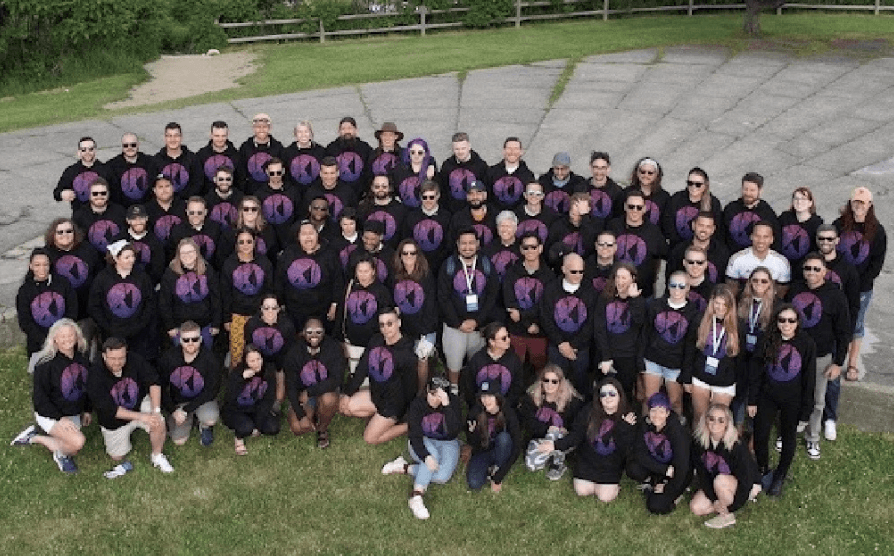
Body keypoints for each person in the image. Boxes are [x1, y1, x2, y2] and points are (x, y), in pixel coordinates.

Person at [786, 253, 850, 460]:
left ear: (825, 272)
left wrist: (838, 362)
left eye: (816, 269)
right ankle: (787, 433)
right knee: (791, 396)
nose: (811, 273)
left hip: (821, 356)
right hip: (794, 352)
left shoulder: (836, 295)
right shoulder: (795, 289)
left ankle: (812, 437)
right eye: (807, 268)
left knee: (817, 399)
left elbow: (843, 331)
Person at [748, 304, 816, 497]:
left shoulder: (806, 343)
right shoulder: (767, 339)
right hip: (767, 397)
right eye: (782, 320)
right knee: (760, 435)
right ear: (776, 322)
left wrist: (806, 410)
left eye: (791, 320)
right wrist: (752, 400)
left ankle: (780, 474)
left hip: (793, 400)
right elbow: (756, 372)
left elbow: (809, 379)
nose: (786, 324)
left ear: (797, 322)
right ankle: (763, 469)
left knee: (788, 438)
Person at [10, 319, 90, 474]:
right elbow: (40, 401)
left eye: (70, 335)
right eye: (62, 336)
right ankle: (36, 439)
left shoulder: (83, 360)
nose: (67, 339)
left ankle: (36, 434)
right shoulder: (45, 365)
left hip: (72, 412)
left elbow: (86, 388)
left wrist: (87, 410)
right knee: (77, 443)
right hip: (51, 414)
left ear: (77, 337)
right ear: (54, 339)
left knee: (72, 445)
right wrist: (60, 418)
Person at [87, 337, 174, 477]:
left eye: (121, 358)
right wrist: (141, 417)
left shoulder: (135, 359)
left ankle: (157, 455)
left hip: (138, 404)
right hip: (114, 419)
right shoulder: (94, 374)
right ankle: (130, 430)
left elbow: (154, 381)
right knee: (117, 457)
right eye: (113, 358)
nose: (117, 362)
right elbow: (109, 409)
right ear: (104, 355)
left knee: (159, 422)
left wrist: (156, 411)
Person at [381, 376, 462, 520]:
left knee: (442, 476)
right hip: (423, 439)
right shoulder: (417, 404)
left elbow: (454, 431)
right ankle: (416, 497)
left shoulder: (453, 403)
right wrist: (426, 456)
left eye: (438, 396)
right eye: (431, 394)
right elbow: (415, 435)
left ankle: (404, 467)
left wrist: (447, 405)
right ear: (426, 390)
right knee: (432, 457)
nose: (434, 399)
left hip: (448, 442)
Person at [542, 377, 636, 502]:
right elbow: (576, 435)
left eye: (612, 394)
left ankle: (611, 487)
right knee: (581, 491)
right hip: (587, 462)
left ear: (620, 396)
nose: (608, 397)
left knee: (605, 497)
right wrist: (555, 445)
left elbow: (626, 449)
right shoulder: (589, 411)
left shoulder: (628, 416)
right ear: (599, 398)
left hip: (610, 466)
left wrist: (623, 427)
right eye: (603, 394)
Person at [340, 306, 417, 445]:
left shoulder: (406, 353)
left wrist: (407, 413)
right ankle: (378, 418)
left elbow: (411, 386)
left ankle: (410, 425)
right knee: (346, 407)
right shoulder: (376, 340)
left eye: (390, 323)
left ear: (398, 323)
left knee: (369, 438)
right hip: (376, 394)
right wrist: (348, 392)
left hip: (393, 404)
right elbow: (362, 368)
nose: (386, 329)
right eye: (382, 325)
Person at [834, 186, 887, 382]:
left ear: (869, 205)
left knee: (856, 325)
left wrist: (858, 285)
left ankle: (852, 363)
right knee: (836, 320)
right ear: (851, 202)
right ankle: (835, 357)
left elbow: (876, 264)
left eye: (862, 203)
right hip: (839, 284)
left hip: (861, 289)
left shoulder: (877, 231)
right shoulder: (839, 225)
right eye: (856, 202)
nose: (858, 206)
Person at [438, 226, 499, 392]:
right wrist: (458, 323)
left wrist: (478, 321)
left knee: (477, 361)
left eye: (471, 243)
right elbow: (443, 297)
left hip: (479, 327)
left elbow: (492, 294)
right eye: (463, 243)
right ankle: (454, 390)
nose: (467, 247)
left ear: (478, 244)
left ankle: (473, 390)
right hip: (454, 326)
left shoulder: (486, 264)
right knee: (454, 362)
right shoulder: (449, 265)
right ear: (457, 245)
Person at [815, 224, 860, 441]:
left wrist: (847, 334)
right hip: (814, 332)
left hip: (836, 333)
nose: (825, 242)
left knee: (832, 377)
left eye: (829, 238)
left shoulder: (848, 269)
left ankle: (830, 418)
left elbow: (853, 304)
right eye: (821, 238)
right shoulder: (810, 262)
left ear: (837, 241)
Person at [690, 404, 761, 528]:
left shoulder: (736, 444)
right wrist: (714, 499)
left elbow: (746, 479)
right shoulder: (699, 442)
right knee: (696, 507)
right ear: (706, 419)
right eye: (711, 418)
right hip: (716, 482)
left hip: (739, 483)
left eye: (721, 420)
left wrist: (735, 506)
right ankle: (721, 506)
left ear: (727, 423)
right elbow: (702, 474)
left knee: (720, 480)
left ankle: (727, 515)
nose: (715, 423)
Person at [639, 271, 699, 417]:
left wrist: (686, 373)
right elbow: (645, 334)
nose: (677, 290)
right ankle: (646, 429)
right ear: (668, 286)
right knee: (649, 398)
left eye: (681, 286)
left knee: (675, 401)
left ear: (688, 288)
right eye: (673, 285)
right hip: (653, 359)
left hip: (675, 365)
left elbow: (690, 345)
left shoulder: (694, 312)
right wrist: (640, 360)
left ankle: (676, 429)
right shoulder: (655, 305)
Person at [88, 241, 157, 362]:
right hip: (112, 332)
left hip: (139, 333)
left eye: (132, 256)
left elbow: (150, 302)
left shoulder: (142, 276)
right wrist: (108, 327)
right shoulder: (102, 278)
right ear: (116, 258)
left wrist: (140, 325)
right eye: (127, 257)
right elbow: (95, 306)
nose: (131, 260)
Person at [683, 284, 740, 427]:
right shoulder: (700, 320)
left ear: (730, 306)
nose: (720, 308)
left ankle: (714, 449)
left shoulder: (739, 326)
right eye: (717, 303)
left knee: (717, 422)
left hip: (724, 382)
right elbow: (690, 350)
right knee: (700, 418)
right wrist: (686, 377)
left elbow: (741, 360)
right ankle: (698, 447)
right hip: (700, 378)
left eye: (724, 304)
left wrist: (738, 383)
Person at [283, 318, 345, 448]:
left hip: (325, 391)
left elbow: (337, 379)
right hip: (304, 395)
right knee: (297, 428)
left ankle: (322, 429)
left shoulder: (333, 347)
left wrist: (310, 392)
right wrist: (301, 415)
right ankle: (315, 413)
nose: (314, 336)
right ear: (303, 333)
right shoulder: (294, 351)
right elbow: (290, 384)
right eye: (310, 332)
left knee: (328, 400)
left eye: (318, 332)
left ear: (324, 332)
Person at [541, 253, 597, 398]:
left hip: (581, 348)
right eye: (574, 271)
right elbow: (546, 318)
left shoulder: (590, 291)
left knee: (581, 385)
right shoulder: (551, 289)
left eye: (581, 271)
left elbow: (592, 322)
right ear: (563, 269)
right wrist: (561, 343)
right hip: (556, 346)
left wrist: (574, 344)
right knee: (555, 384)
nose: (578, 275)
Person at [157, 321, 221, 447]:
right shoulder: (169, 358)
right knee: (178, 441)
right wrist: (173, 410)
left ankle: (204, 425)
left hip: (202, 400)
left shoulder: (210, 359)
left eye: (195, 339)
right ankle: (189, 420)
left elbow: (212, 390)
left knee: (211, 418)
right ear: (180, 340)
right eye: (186, 340)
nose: (191, 343)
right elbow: (160, 387)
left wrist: (187, 410)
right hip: (179, 402)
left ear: (201, 339)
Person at [626, 392, 691, 515]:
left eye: (661, 411)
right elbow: (639, 453)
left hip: (678, 471)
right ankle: (653, 482)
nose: (657, 415)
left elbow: (682, 467)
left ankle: (675, 494)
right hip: (664, 468)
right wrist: (664, 470)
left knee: (656, 505)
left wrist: (668, 487)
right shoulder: (645, 424)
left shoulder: (677, 431)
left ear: (667, 413)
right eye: (653, 410)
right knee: (633, 468)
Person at [274, 220, 343, 331]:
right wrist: (280, 302)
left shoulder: (329, 253)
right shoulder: (289, 253)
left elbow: (337, 280)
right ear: (298, 237)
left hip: (322, 310)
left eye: (311, 233)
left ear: (317, 234)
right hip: (294, 310)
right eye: (304, 234)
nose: (308, 237)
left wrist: (335, 304)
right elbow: (279, 279)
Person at [520, 364, 584, 480]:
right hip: (539, 438)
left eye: (554, 381)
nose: (550, 385)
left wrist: (559, 432)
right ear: (541, 381)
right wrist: (548, 429)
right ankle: (552, 456)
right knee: (531, 465)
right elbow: (530, 424)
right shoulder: (531, 399)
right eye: (546, 380)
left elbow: (577, 429)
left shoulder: (572, 402)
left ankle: (557, 464)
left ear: (561, 383)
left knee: (555, 433)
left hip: (562, 440)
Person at [503, 231, 554, 376]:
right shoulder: (512, 272)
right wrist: (527, 324)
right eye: (526, 247)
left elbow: (546, 305)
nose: (530, 251)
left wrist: (528, 319)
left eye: (533, 247)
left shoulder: (549, 276)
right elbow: (510, 303)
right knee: (514, 370)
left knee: (541, 372)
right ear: (521, 250)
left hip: (539, 331)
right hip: (516, 331)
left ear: (540, 248)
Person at [17, 247, 77, 366]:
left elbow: (72, 310)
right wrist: (47, 341)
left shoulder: (63, 283)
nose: (42, 268)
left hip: (64, 342)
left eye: (45, 264)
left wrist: (61, 338)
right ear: (31, 266)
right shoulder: (25, 290)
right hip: (38, 345)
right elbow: (25, 322)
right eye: (37, 265)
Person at [594, 262, 645, 402]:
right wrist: (605, 357)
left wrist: (634, 299)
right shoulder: (604, 298)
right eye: (618, 277)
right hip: (607, 353)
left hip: (628, 356)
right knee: (604, 391)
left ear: (632, 279)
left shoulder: (639, 300)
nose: (620, 281)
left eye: (624, 278)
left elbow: (639, 322)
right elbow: (599, 329)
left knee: (625, 393)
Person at [391, 238, 438, 391]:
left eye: (413, 253)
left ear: (418, 255)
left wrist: (423, 333)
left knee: (422, 359)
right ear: (400, 255)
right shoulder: (395, 275)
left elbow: (431, 306)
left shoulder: (426, 276)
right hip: (403, 327)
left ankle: (420, 393)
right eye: (405, 253)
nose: (409, 256)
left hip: (424, 327)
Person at [735, 266, 778, 427]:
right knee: (740, 392)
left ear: (770, 284)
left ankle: (753, 431)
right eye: (755, 280)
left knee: (757, 395)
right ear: (749, 282)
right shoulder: (741, 300)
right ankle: (738, 427)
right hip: (742, 354)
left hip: (762, 357)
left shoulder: (776, 306)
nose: (759, 284)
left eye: (764, 281)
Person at [159, 238, 223, 347]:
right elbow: (165, 301)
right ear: (178, 254)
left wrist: (216, 324)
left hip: (205, 325)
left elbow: (216, 297)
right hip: (180, 327)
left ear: (197, 253)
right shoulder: (170, 273)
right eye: (183, 252)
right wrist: (170, 326)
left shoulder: (208, 270)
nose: (187, 255)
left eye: (190, 252)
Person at [336, 255, 394, 372]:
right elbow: (341, 314)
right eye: (360, 271)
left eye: (366, 271)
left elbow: (388, 318)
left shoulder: (382, 291)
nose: (363, 275)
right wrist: (339, 338)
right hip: (352, 343)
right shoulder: (349, 288)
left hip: (375, 344)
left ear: (373, 271)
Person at [606, 189, 667, 298]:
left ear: (644, 209)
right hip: (615, 292)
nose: (635, 210)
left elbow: (666, 255)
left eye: (639, 207)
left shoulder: (654, 232)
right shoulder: (613, 226)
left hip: (644, 293)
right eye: (631, 206)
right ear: (625, 207)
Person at [222, 344, 280, 455]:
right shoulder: (237, 373)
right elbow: (229, 398)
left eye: (258, 359)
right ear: (245, 361)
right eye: (252, 361)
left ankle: (252, 424)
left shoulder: (268, 373)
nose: (256, 363)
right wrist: (241, 379)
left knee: (273, 428)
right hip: (236, 410)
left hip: (255, 408)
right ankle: (238, 438)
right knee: (246, 428)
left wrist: (258, 424)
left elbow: (268, 399)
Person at [242, 293, 296, 411]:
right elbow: (249, 348)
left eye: (274, 308)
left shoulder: (287, 326)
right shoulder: (252, 324)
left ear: (279, 309)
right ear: (261, 309)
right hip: (258, 361)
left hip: (279, 363)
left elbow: (288, 352)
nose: (270, 311)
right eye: (266, 308)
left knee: (279, 398)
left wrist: (280, 371)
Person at [465, 381, 522, 492]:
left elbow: (516, 447)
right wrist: (472, 432)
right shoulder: (475, 412)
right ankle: (487, 470)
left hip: (502, 450)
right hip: (483, 452)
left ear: (498, 397)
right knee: (474, 483)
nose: (486, 400)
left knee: (504, 438)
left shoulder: (508, 413)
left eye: (491, 396)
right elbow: (474, 445)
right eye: (484, 396)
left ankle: (497, 468)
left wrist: (499, 476)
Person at [463, 322, 524, 409]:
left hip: (506, 410)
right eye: (504, 338)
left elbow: (517, 387)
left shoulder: (514, 360)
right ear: (492, 342)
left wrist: (505, 407)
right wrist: (477, 407)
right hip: (480, 409)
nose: (508, 340)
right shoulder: (477, 359)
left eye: (508, 336)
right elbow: (469, 388)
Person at [725, 220, 790, 298]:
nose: (761, 241)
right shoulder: (737, 259)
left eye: (765, 237)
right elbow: (731, 291)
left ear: (772, 239)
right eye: (757, 236)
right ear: (751, 236)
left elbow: (781, 292)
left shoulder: (782, 262)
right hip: (743, 303)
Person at [662, 167, 722, 248]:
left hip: (703, 248)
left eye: (698, 184)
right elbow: (668, 224)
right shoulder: (676, 198)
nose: (693, 187)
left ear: (705, 185)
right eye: (690, 183)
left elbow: (716, 230)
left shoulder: (713, 203)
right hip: (677, 246)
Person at [53, 136, 114, 214]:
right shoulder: (71, 171)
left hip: (103, 214)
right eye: (83, 150)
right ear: (79, 152)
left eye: (90, 149)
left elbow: (115, 194)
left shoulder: (106, 170)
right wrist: (62, 194)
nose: (87, 152)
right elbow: (56, 193)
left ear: (95, 151)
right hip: (80, 216)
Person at [722, 171, 779, 254]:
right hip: (731, 257)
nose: (748, 193)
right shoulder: (730, 208)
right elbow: (722, 234)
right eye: (745, 189)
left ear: (760, 191)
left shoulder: (767, 213)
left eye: (752, 190)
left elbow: (775, 241)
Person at [404, 180, 452, 273]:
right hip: (417, 265)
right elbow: (407, 240)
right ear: (421, 198)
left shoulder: (447, 217)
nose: (428, 201)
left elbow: (449, 243)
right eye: (425, 197)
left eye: (431, 197)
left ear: (438, 196)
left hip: (440, 265)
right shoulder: (411, 217)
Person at [254, 157, 301, 251]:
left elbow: (300, 215)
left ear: (283, 171)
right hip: (268, 240)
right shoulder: (259, 194)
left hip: (289, 239)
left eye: (278, 172)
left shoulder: (293, 191)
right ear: (267, 172)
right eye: (272, 173)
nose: (275, 176)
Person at [72, 178, 126, 256]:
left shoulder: (120, 211)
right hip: (91, 258)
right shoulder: (79, 215)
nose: (99, 196)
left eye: (103, 193)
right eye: (95, 193)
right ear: (89, 195)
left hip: (117, 257)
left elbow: (125, 235)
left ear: (108, 194)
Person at [114, 204, 166, 285]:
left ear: (146, 218)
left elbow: (158, 269)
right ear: (128, 220)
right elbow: (112, 267)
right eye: (134, 218)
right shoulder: (118, 240)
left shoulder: (155, 241)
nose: (138, 222)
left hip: (148, 285)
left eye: (141, 218)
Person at [438, 131, 488, 213]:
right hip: (452, 210)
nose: (460, 152)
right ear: (452, 148)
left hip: (474, 210)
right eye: (457, 149)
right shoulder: (447, 165)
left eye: (463, 148)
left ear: (469, 146)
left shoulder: (481, 166)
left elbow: (486, 190)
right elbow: (443, 188)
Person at [106, 132, 158, 207]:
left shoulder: (150, 162)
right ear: (122, 147)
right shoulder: (112, 166)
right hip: (123, 210)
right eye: (126, 145)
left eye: (133, 145)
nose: (129, 148)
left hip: (147, 208)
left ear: (138, 145)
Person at [326, 116, 373, 197]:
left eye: (350, 128)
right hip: (338, 193)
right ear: (339, 131)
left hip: (361, 194)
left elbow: (370, 170)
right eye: (343, 129)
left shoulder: (364, 147)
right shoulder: (331, 148)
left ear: (356, 130)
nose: (347, 131)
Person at [154, 122, 202, 200]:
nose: (173, 139)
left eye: (176, 136)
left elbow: (197, 184)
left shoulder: (192, 158)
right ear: (165, 138)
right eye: (169, 136)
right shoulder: (156, 160)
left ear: (181, 138)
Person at [239, 113, 284, 195]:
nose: (261, 130)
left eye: (264, 127)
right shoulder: (245, 147)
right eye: (258, 127)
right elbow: (241, 172)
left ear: (270, 128)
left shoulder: (278, 147)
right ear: (253, 128)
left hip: (271, 192)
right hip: (251, 191)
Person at [778, 186, 822, 269]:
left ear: (810, 203)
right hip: (782, 262)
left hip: (803, 266)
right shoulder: (785, 217)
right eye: (796, 199)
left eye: (803, 199)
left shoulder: (816, 223)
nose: (799, 202)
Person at [486, 137, 535, 211]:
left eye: (516, 148)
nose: (512, 152)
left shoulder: (528, 175)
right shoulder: (491, 172)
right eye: (509, 148)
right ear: (503, 151)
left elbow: (528, 200)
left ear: (521, 152)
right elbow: (487, 197)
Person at [621, 157, 669, 230]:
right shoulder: (626, 193)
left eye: (650, 173)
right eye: (643, 172)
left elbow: (665, 223)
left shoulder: (664, 197)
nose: (646, 175)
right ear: (637, 173)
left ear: (657, 175)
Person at [196, 120, 242, 195]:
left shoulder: (236, 155)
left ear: (228, 135)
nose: (220, 139)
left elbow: (240, 180)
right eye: (217, 136)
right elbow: (198, 180)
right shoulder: (201, 155)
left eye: (223, 136)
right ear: (211, 135)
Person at [392, 137, 437, 209]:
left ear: (425, 154)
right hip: (404, 210)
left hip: (424, 211)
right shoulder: (400, 169)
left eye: (420, 153)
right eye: (413, 152)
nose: (416, 155)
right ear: (409, 153)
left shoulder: (430, 171)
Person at [283, 120, 326, 189]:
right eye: (300, 132)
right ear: (295, 135)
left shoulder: (321, 151)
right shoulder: (287, 152)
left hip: (316, 189)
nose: (303, 134)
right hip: (294, 189)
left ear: (311, 134)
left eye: (306, 131)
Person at [235, 195, 279, 262]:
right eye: (246, 209)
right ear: (241, 211)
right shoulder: (233, 231)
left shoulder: (268, 231)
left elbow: (272, 255)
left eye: (254, 209)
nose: (250, 212)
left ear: (258, 211)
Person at [585, 151, 622, 223]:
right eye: (596, 167)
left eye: (603, 168)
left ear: (608, 169)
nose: (599, 171)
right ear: (590, 167)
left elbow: (618, 218)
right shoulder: (580, 188)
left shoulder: (617, 192)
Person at [204, 166, 244, 230]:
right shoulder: (207, 200)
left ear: (232, 180)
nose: (224, 182)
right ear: (215, 180)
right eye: (221, 179)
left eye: (228, 179)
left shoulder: (241, 198)